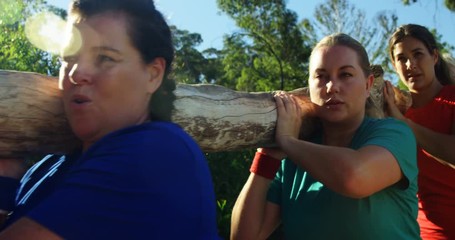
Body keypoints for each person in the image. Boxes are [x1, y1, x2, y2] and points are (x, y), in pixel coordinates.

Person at [0, 0, 219, 239]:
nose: (76, 74)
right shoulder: (47, 166)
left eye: (105, 58)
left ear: (153, 74)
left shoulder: (158, 153)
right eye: (68, 59)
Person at [230, 33, 421, 239]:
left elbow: (353, 178)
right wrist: (267, 157)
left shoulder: (395, 134)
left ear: (367, 85)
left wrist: (286, 140)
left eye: (346, 75)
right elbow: (244, 236)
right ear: (309, 86)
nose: (332, 87)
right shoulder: (291, 160)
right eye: (321, 76)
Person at [384, 23, 455, 240]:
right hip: (424, 232)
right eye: (401, 59)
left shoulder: (452, 99)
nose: (410, 64)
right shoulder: (391, 111)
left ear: (434, 57)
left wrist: (404, 123)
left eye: (417, 54)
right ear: (395, 66)